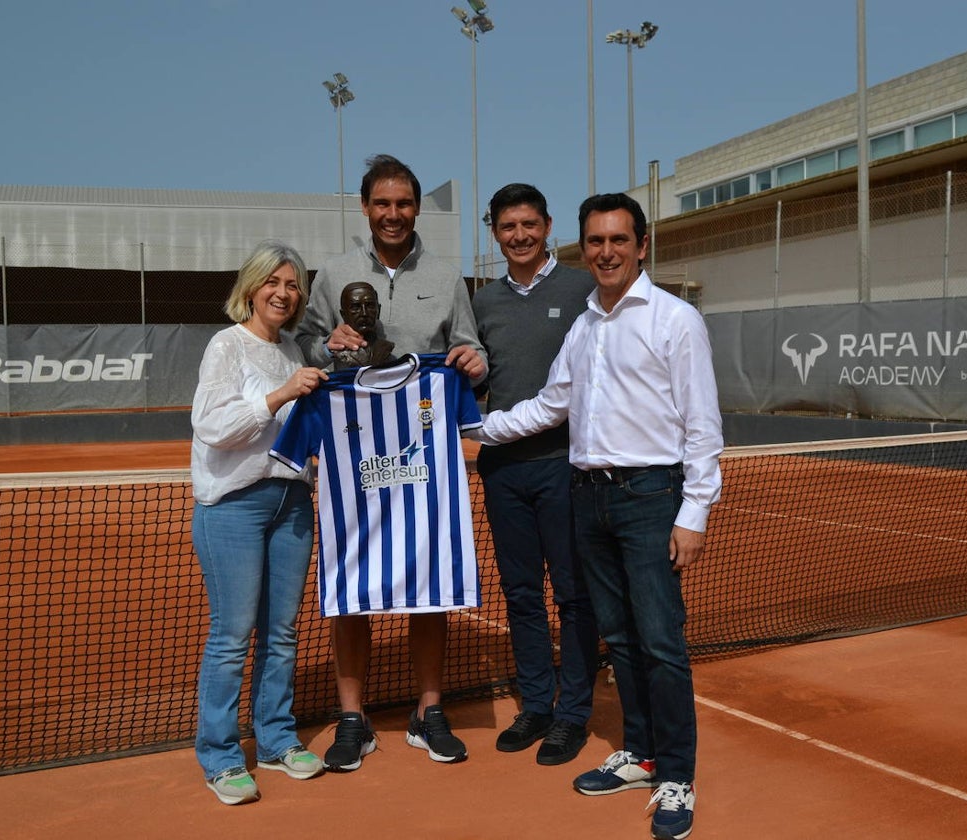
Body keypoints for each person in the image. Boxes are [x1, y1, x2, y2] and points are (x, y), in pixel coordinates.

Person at [471, 193, 723, 840]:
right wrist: (476, 428)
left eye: (617, 240)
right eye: (595, 242)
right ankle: (639, 753)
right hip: (589, 498)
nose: (605, 252)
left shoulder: (676, 320)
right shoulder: (584, 327)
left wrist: (693, 512)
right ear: (581, 248)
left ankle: (676, 775)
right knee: (623, 638)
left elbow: (702, 428)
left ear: (641, 245)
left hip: (648, 500)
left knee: (662, 644)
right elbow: (551, 403)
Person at [296, 153, 487, 770]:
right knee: (352, 583)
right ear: (365, 208)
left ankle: (428, 711)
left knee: (428, 584)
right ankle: (353, 717)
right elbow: (303, 343)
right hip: (352, 453)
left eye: (404, 204)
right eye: (383, 204)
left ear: (416, 208)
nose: (394, 215)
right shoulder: (334, 275)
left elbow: (468, 344)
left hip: (424, 454)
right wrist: (328, 344)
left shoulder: (446, 275)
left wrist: (473, 361)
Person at [189, 240, 330, 805]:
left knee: (282, 632)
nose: (283, 292)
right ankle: (221, 757)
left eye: (293, 285)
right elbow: (212, 426)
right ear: (250, 288)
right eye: (273, 281)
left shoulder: (294, 349)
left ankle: (275, 740)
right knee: (231, 636)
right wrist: (280, 395)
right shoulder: (226, 345)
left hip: (291, 503)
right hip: (234, 506)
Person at [471, 183, 599, 766]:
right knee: (521, 595)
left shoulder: (582, 289)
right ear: (494, 232)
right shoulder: (483, 302)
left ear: (547, 227)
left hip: (566, 469)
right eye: (506, 227)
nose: (519, 236)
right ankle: (537, 705)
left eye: (529, 224)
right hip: (503, 473)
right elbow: (469, 381)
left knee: (574, 595)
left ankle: (573, 714)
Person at [331, 281, 396, 369]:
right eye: (355, 307)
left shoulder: (385, 348)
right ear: (343, 314)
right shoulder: (340, 351)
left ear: (378, 310)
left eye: (370, 306)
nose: (364, 313)